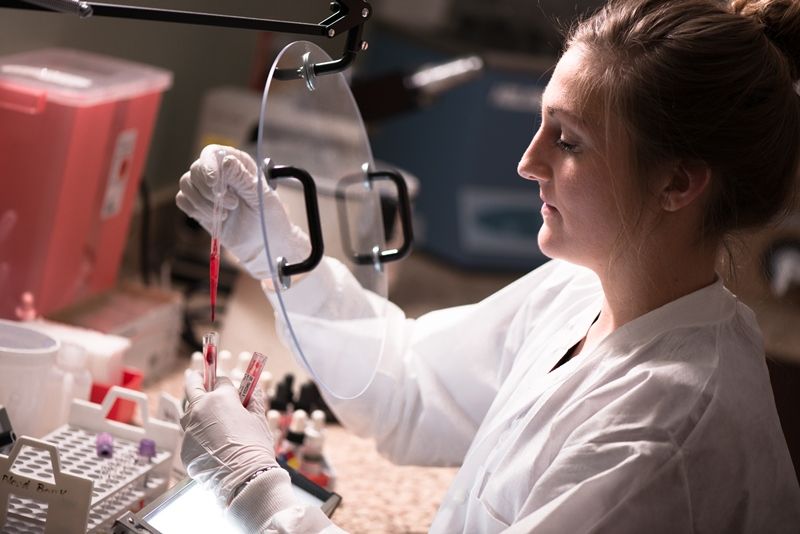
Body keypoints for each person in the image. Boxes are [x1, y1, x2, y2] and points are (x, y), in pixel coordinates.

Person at [175, 0, 800, 531]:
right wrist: (276, 249)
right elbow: (407, 382)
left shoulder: (663, 437)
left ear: (678, 182)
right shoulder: (584, 291)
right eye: (541, 125)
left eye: (569, 140)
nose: (528, 163)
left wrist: (251, 485)